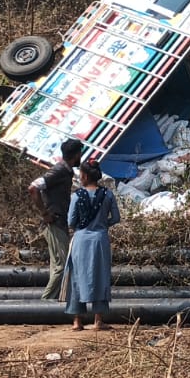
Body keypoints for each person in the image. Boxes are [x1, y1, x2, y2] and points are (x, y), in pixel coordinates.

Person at [65, 156, 120, 331]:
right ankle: (98, 320)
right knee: (100, 276)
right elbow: (116, 218)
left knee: (76, 277)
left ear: (84, 176)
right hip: (100, 239)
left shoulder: (76, 196)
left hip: (80, 240)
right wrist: (103, 225)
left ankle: (77, 321)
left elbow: (71, 221)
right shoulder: (108, 194)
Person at [27, 138, 82, 303]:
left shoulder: (65, 171)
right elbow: (33, 187)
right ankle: (44, 304)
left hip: (59, 222)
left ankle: (55, 302)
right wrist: (44, 213)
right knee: (62, 265)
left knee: (57, 265)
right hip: (54, 222)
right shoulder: (58, 171)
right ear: (77, 155)